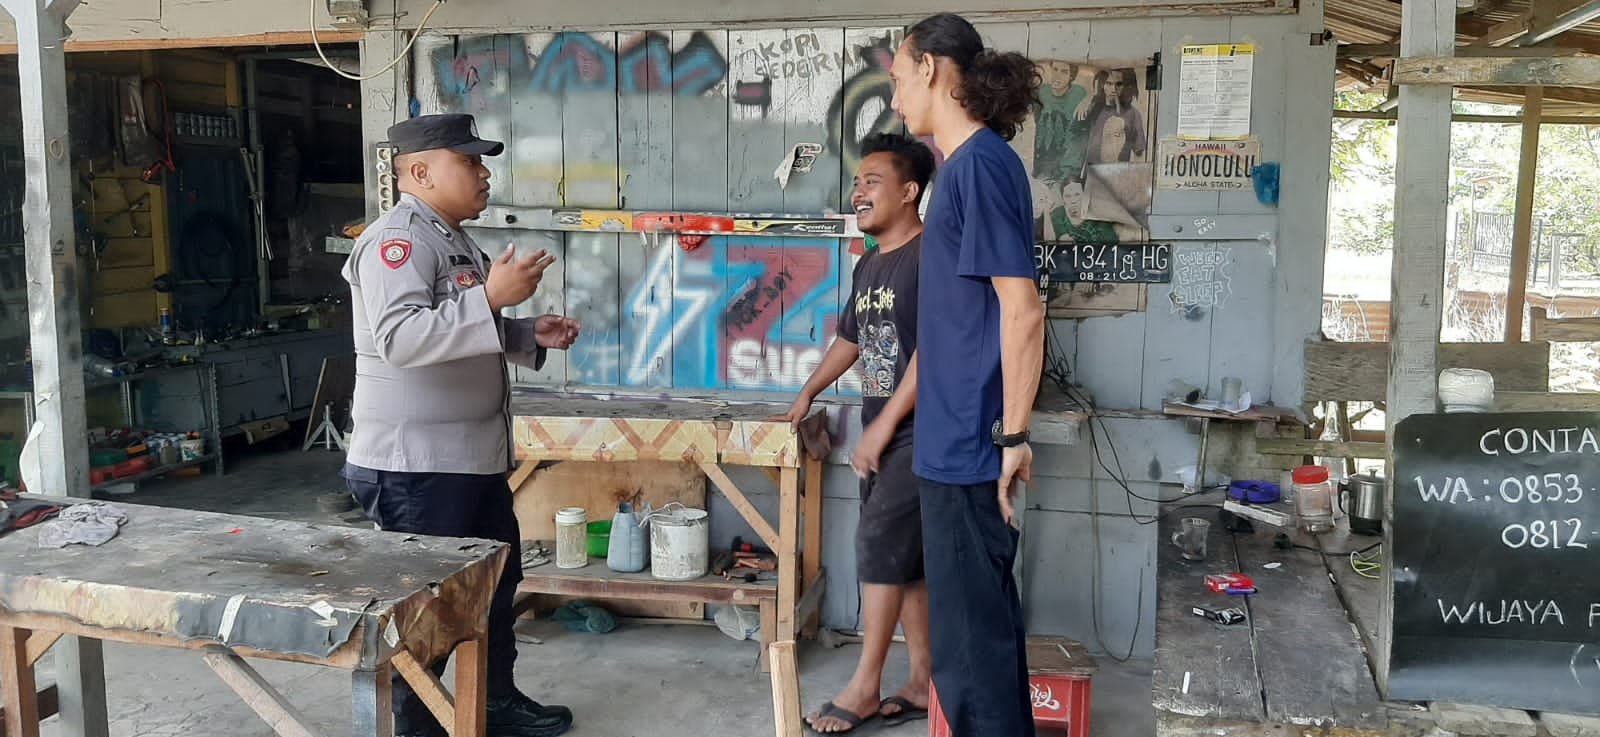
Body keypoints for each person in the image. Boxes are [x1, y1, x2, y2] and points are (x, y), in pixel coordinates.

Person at [340, 113, 582, 737]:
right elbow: (401, 338)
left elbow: (458, 328)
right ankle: (416, 728)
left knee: (494, 587)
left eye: (482, 161)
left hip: (467, 459)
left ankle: (492, 705)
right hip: (416, 466)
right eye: (469, 161)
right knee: (429, 612)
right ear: (420, 172)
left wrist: (524, 333)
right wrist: (492, 299)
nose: (484, 173)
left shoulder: (451, 239)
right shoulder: (398, 242)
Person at [889, 13, 1047, 737]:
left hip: (969, 449)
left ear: (929, 68)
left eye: (898, 78)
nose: (895, 98)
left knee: (972, 665)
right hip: (952, 444)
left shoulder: (978, 166)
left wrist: (1013, 435)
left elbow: (1023, 308)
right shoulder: (964, 168)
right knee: (976, 652)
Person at [778, 132, 936, 734]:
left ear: (910, 191)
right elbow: (852, 338)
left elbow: (934, 354)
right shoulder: (871, 262)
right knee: (906, 562)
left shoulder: (929, 257)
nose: (859, 191)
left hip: (920, 433)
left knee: (877, 550)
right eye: (857, 182)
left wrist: (885, 427)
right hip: (883, 430)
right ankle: (921, 680)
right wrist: (809, 390)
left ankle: (865, 686)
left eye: (873, 181)